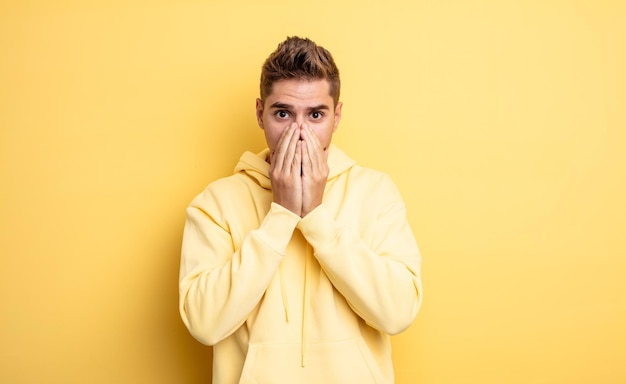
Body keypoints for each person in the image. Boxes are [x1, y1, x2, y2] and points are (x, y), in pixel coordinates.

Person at [179, 36, 423, 384]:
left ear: (336, 117)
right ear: (260, 114)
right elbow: (205, 324)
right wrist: (281, 215)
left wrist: (316, 218)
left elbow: (398, 314)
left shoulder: (376, 193)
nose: (300, 133)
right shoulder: (216, 203)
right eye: (283, 113)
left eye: (316, 115)